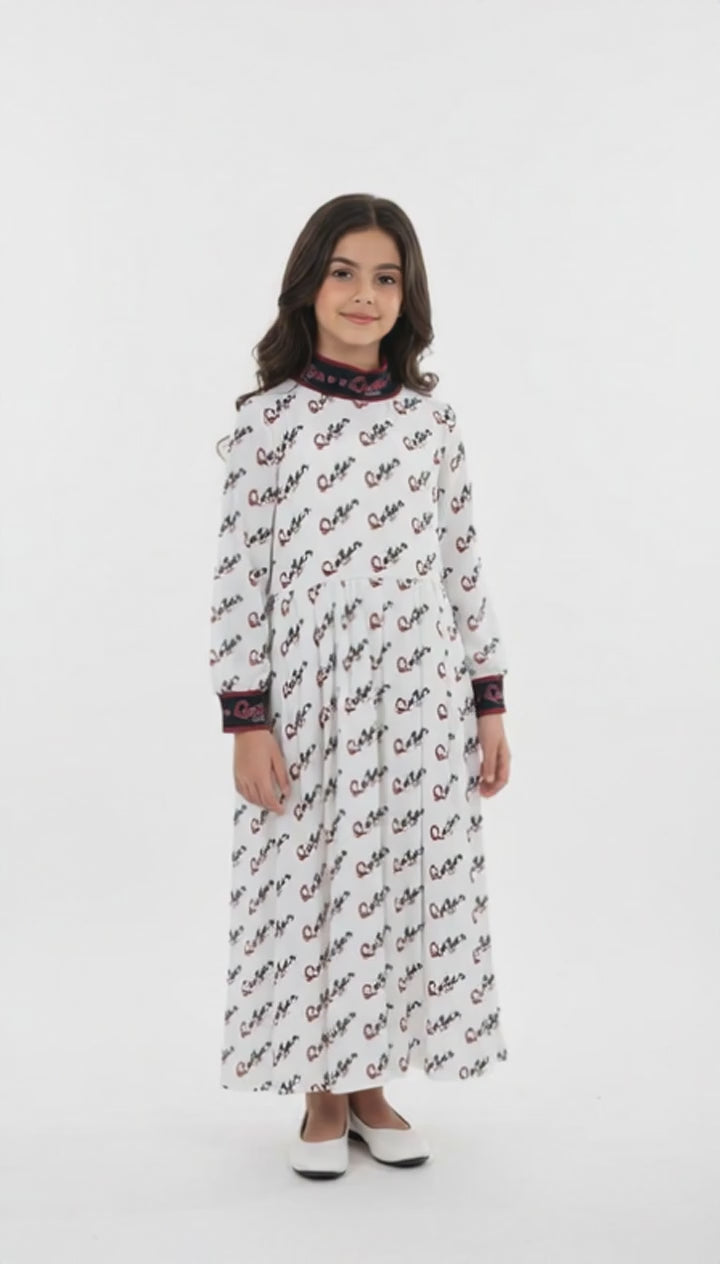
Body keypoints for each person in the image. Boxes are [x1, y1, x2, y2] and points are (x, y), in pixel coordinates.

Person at [208, 192, 512, 1178]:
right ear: (309, 284)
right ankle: (321, 1091)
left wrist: (489, 700)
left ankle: (374, 1083)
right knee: (316, 882)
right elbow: (239, 579)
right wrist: (247, 719)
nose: (364, 294)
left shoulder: (432, 424)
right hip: (307, 701)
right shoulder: (268, 424)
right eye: (344, 272)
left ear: (407, 295)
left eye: (386, 277)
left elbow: (462, 563)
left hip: (420, 697)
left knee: (397, 882)